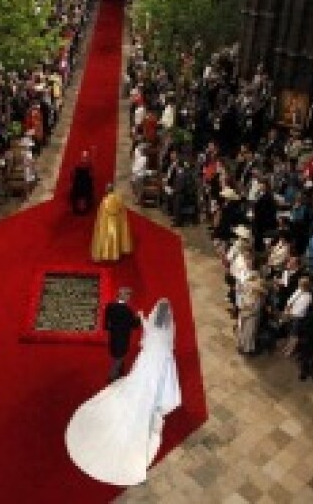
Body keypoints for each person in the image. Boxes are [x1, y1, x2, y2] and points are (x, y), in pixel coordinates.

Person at [66, 298, 181, 486]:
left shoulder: (151, 326)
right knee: (154, 386)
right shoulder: (168, 328)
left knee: (141, 383)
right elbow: (168, 346)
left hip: (148, 360)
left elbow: (147, 335)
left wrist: (143, 318)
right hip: (159, 360)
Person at [103, 287, 141, 381]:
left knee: (117, 355)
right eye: (128, 295)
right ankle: (112, 377)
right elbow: (135, 325)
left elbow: (106, 324)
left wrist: (113, 329)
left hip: (113, 337)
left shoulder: (109, 306)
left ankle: (120, 373)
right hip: (123, 338)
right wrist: (138, 318)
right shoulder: (128, 311)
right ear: (123, 296)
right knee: (119, 357)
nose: (129, 297)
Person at [91, 184, 132, 262]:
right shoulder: (119, 199)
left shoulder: (105, 201)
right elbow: (123, 212)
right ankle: (115, 255)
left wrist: (100, 224)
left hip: (107, 221)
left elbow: (101, 214)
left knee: (107, 238)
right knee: (116, 237)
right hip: (116, 221)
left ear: (107, 190)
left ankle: (106, 255)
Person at [70, 150, 95, 214]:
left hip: (81, 182)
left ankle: (81, 208)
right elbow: (91, 174)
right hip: (83, 183)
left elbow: (73, 173)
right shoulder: (87, 163)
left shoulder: (79, 163)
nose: (84, 159)